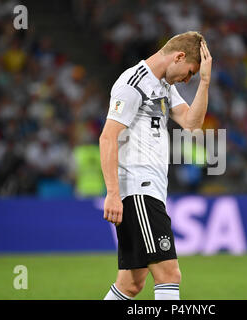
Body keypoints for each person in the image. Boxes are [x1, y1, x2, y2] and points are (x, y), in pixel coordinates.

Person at [99, 31, 212, 300]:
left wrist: (205, 82)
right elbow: (107, 137)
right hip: (138, 190)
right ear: (179, 57)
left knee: (130, 284)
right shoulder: (132, 83)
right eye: (190, 72)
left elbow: (192, 124)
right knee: (169, 274)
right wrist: (113, 193)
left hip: (149, 191)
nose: (187, 79)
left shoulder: (164, 86)